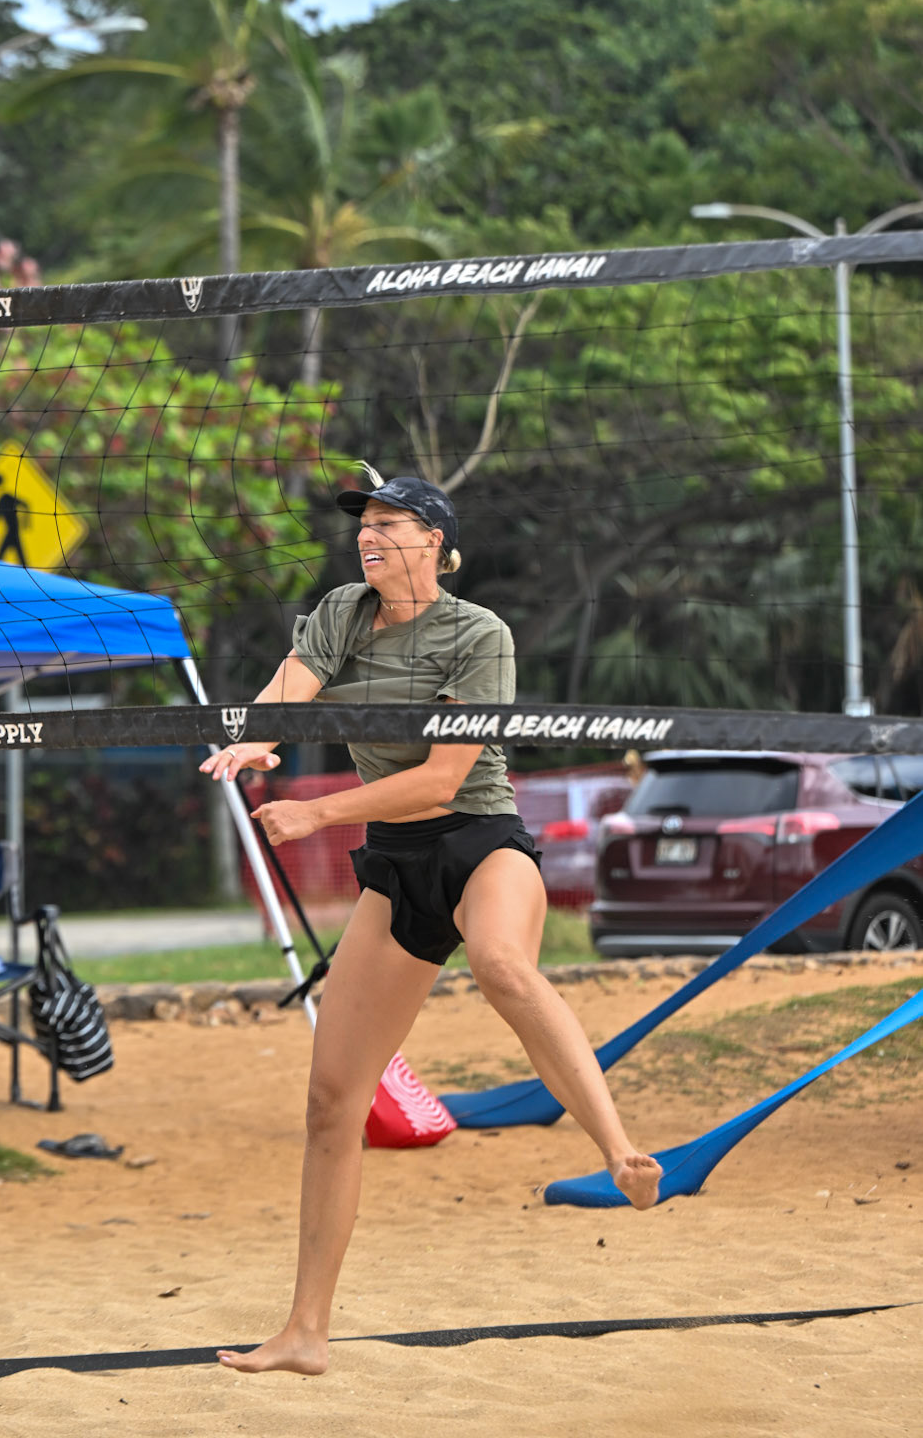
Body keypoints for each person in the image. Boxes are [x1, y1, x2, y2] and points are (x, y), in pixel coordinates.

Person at [200, 472, 661, 1376]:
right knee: (331, 1103)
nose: (368, 538)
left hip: (478, 840)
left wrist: (317, 815)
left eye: (388, 525)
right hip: (398, 867)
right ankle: (304, 1334)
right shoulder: (341, 610)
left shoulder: (477, 633)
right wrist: (260, 732)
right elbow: (291, 685)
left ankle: (620, 1150)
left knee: (499, 962)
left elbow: (440, 782)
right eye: (363, 527)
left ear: (437, 546)